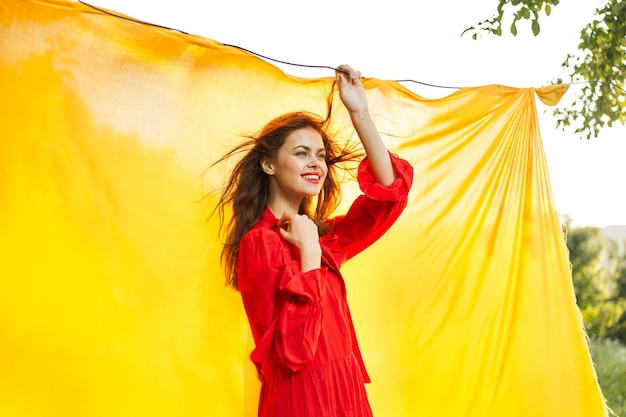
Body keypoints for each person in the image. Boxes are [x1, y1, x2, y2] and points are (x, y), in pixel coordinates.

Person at [216, 65, 413, 417]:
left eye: (321, 155)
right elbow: (292, 351)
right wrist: (308, 254)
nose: (316, 164)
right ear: (269, 165)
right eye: (302, 153)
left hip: (345, 395)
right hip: (301, 401)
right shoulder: (259, 243)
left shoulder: (324, 238)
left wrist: (360, 113)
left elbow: (389, 198)